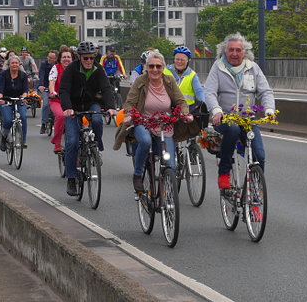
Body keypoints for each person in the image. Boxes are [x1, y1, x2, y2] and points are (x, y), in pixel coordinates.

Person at [115, 51, 195, 193]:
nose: (155, 70)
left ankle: (167, 193)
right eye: (151, 66)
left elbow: (181, 101)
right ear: (146, 67)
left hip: (165, 125)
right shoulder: (140, 81)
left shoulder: (169, 81)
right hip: (143, 122)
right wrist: (128, 115)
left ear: (163, 67)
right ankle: (138, 174)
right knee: (145, 141)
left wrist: (185, 113)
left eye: (158, 66)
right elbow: (130, 102)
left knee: (171, 164)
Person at [204, 33, 275, 189]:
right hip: (224, 118)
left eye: (238, 50)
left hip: (247, 119)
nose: (234, 54)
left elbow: (265, 91)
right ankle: (224, 174)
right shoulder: (218, 67)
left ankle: (255, 192)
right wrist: (216, 110)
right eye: (231, 50)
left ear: (245, 52)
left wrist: (269, 109)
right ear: (224, 51)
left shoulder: (253, 68)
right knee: (233, 129)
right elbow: (209, 92)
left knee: (259, 156)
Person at [59, 41, 117, 197]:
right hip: (74, 107)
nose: (89, 61)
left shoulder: (98, 69)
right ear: (79, 57)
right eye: (85, 58)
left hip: (92, 104)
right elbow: (63, 90)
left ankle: (96, 146)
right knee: (71, 142)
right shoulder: (71, 69)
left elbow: (106, 88)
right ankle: (71, 178)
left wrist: (111, 107)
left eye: (92, 58)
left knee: (97, 120)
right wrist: (67, 108)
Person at [0, 55, 30, 150]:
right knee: (7, 120)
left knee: (23, 117)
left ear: (19, 64)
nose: (14, 65)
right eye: (12, 63)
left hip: (19, 100)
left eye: (16, 63)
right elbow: (1, 89)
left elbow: (25, 90)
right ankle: (4, 137)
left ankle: (23, 141)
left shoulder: (23, 75)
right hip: (7, 100)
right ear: (9, 65)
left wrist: (24, 96)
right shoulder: (4, 74)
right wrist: (0, 99)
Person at [48, 49, 75, 152]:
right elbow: (52, 81)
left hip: (73, 100)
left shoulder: (76, 69)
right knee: (61, 115)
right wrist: (52, 92)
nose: (66, 59)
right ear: (60, 59)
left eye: (68, 57)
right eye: (64, 57)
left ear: (72, 59)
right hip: (57, 100)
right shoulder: (56, 68)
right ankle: (57, 143)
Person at [38, 51, 57, 134]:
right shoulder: (44, 64)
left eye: (51, 58)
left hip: (55, 87)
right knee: (46, 104)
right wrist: (41, 85)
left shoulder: (57, 65)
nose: (49, 59)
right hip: (46, 86)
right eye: (48, 57)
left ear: (55, 59)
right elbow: (41, 75)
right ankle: (43, 123)